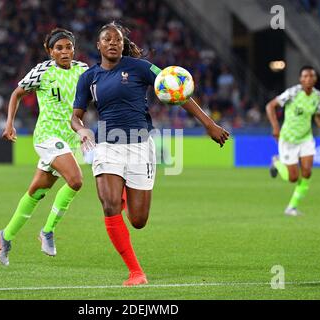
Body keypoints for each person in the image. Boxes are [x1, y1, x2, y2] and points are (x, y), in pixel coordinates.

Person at [71, 22, 229, 286]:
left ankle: (121, 190)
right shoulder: (89, 77)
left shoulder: (139, 67)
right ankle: (136, 272)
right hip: (107, 146)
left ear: (123, 45)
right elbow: (75, 117)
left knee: (138, 220)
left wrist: (209, 124)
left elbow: (177, 90)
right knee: (109, 205)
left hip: (140, 146)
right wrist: (82, 130)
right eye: (107, 39)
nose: (113, 43)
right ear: (98, 45)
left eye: (118, 40)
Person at [0, 28, 88, 266]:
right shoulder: (42, 71)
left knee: (37, 191)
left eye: (68, 47)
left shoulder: (83, 70)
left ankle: (5, 236)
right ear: (50, 51)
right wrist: (9, 124)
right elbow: (16, 94)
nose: (65, 52)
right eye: (59, 48)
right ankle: (47, 231)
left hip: (70, 139)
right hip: (47, 137)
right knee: (76, 180)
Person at [266, 66, 320, 216]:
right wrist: (275, 128)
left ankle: (291, 207)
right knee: (293, 178)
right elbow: (270, 106)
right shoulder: (293, 92)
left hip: (306, 138)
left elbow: (317, 115)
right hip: (288, 139)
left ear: (315, 79)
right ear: (301, 79)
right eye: (305, 76)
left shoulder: (317, 96)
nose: (308, 79)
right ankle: (276, 162)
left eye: (311, 76)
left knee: (307, 172)